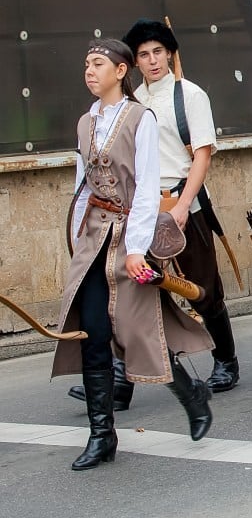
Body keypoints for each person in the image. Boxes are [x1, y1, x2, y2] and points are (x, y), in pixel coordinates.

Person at [52, 39, 214, 471]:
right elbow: (81, 186)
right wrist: (77, 243)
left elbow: (145, 188)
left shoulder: (140, 119)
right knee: (93, 333)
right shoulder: (87, 122)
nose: (89, 71)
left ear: (121, 71)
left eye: (99, 64)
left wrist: (136, 249)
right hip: (93, 240)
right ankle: (102, 435)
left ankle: (191, 394)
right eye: (86, 63)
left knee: (136, 330)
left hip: (129, 236)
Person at [65, 20, 242, 410]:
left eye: (158, 52)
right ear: (133, 63)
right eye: (144, 54)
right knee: (129, 297)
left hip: (182, 205)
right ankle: (120, 385)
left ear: (170, 54)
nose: (152, 60)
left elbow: (202, 155)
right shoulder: (129, 105)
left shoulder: (188, 95)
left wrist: (181, 206)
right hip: (135, 212)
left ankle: (226, 360)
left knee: (202, 288)